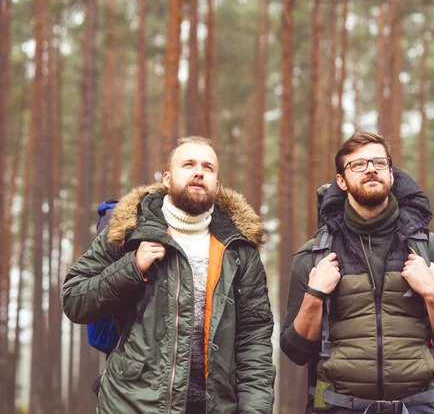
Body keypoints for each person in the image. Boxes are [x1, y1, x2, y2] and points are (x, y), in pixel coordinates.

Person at [62, 136, 275, 414]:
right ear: (167, 178)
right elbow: (74, 299)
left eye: (208, 167)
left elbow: (254, 339)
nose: (199, 172)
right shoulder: (128, 231)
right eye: (188, 164)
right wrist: (132, 268)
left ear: (217, 185)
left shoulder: (238, 248)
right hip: (132, 405)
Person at [280, 131, 434, 414]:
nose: (371, 168)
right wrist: (314, 295)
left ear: (392, 174)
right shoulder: (315, 255)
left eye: (379, 162)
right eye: (358, 164)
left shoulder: (430, 249)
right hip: (339, 407)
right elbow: (295, 351)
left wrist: (432, 292)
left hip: (419, 407)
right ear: (341, 181)